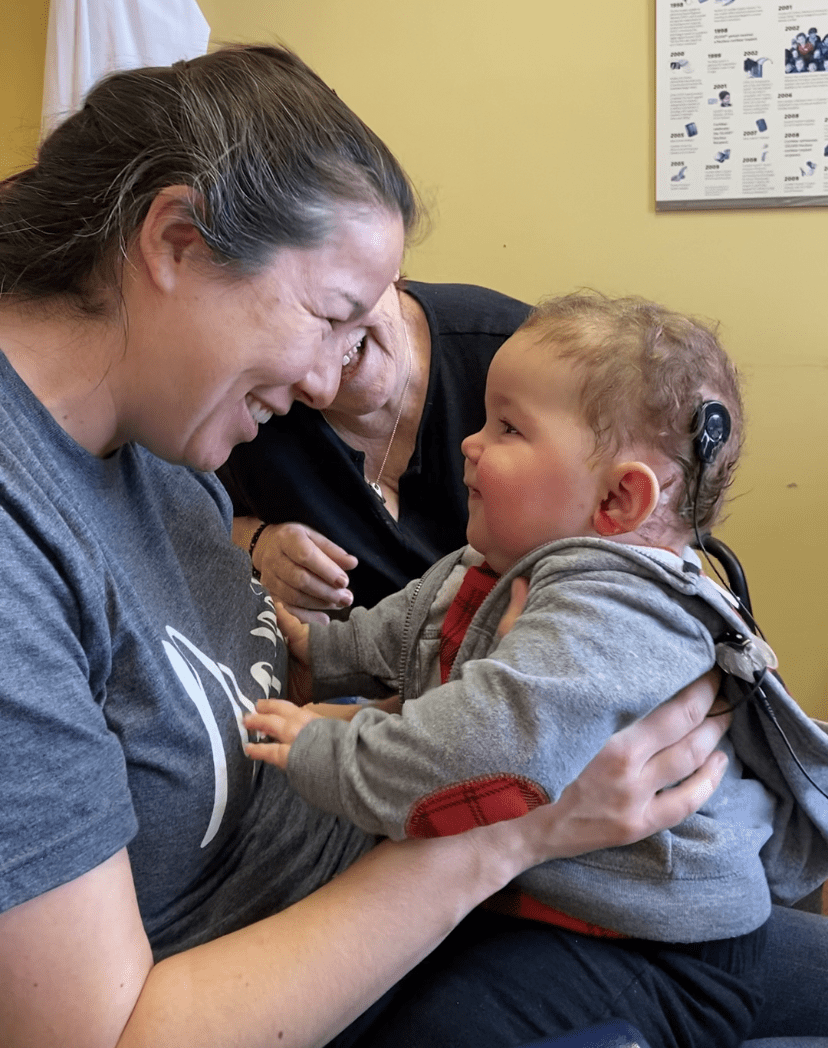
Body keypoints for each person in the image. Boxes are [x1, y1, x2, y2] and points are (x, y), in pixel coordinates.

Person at [0, 44, 746, 1048]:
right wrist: (515, 826)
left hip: (436, 899)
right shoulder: (22, 543)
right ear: (176, 242)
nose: (326, 384)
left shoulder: (166, 441)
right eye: (330, 317)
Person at [247, 293, 828, 1048]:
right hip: (563, 904)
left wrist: (320, 751)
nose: (469, 443)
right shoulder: (492, 565)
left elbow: (483, 744)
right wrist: (317, 657)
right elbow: (409, 631)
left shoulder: (614, 608)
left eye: (509, 428)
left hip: (657, 946)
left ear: (620, 497)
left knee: (449, 1030)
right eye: (486, 419)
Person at [218, 278, 532, 615]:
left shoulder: (523, 357)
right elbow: (187, 512)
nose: (328, 351)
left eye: (334, 303)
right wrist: (258, 543)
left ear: (386, 257)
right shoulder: (248, 404)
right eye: (288, 328)